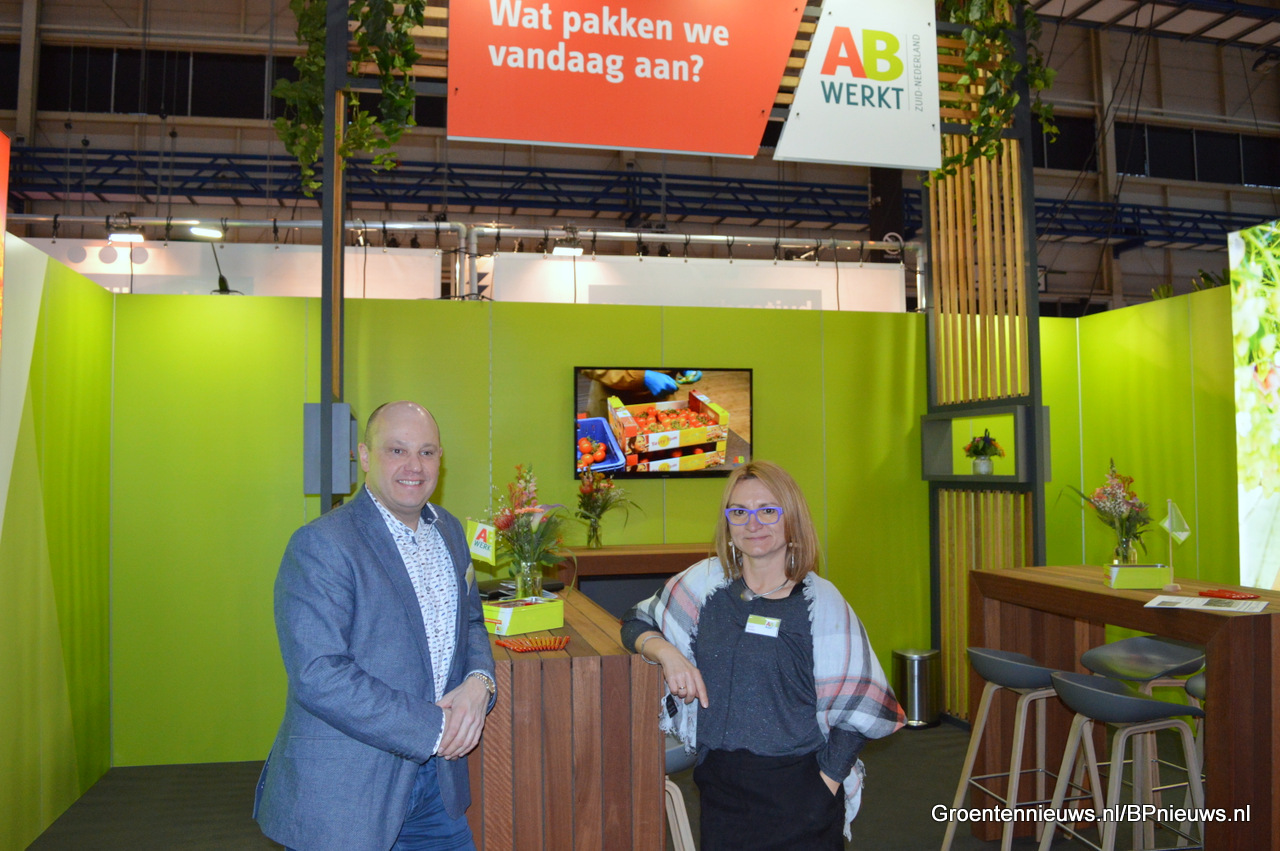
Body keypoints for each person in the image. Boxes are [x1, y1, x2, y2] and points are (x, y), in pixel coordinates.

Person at [621, 460, 904, 850]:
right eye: (739, 512)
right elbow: (635, 622)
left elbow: (863, 706)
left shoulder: (821, 604)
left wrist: (825, 784)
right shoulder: (704, 586)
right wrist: (667, 653)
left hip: (798, 793)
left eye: (768, 510)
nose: (752, 523)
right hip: (719, 789)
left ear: (792, 519)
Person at [255, 401, 496, 851]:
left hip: (436, 788)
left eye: (427, 452)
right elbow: (319, 674)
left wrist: (479, 681)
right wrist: (434, 727)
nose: (414, 466)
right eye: (396, 450)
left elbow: (471, 623)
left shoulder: (450, 531)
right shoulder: (321, 544)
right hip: (348, 792)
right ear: (365, 456)